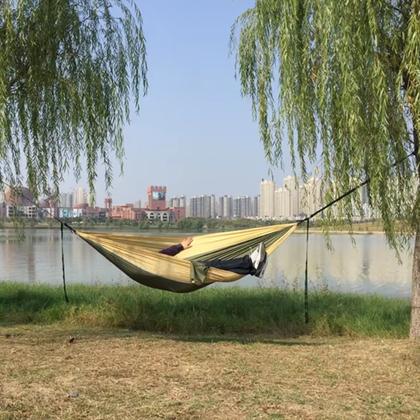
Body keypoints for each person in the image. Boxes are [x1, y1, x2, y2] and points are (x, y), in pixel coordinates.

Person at [159, 237, 268, 278]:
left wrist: (180, 247)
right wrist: (180, 246)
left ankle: (253, 270)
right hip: (172, 271)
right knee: (212, 265)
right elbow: (158, 257)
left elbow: (156, 258)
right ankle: (248, 262)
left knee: (211, 268)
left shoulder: (144, 258)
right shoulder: (143, 258)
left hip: (171, 270)